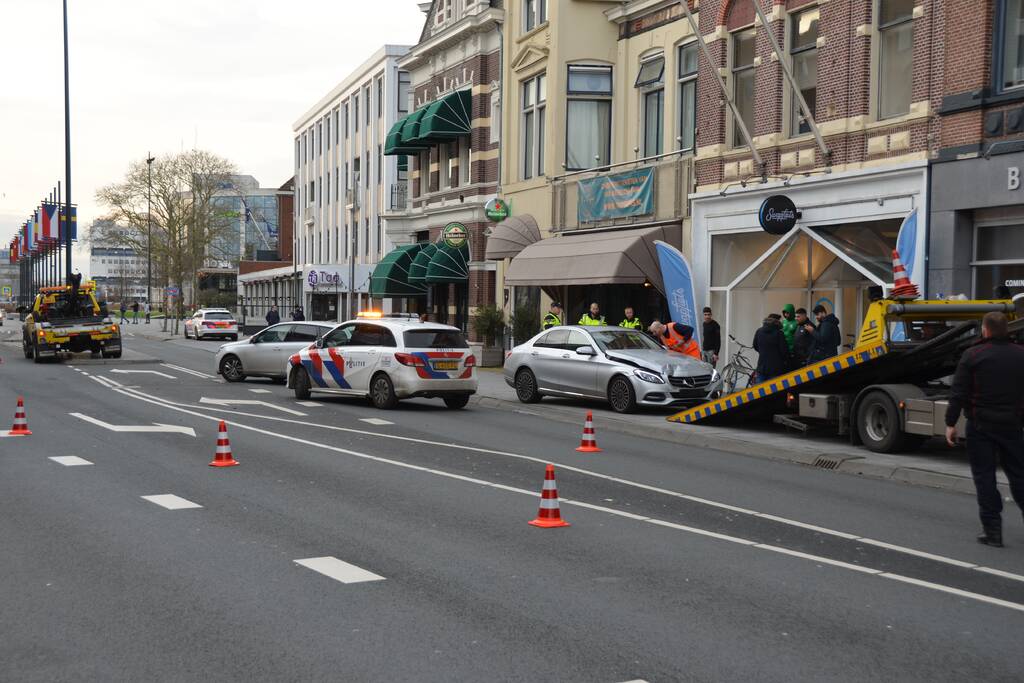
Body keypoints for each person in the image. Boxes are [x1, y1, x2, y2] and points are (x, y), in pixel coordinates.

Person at [945, 312, 1024, 548]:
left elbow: (958, 393)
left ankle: (993, 532)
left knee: (985, 478)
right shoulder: (1021, 355)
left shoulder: (973, 355)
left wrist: (950, 423)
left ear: (986, 330)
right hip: (1013, 426)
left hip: (981, 426)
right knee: (1020, 476)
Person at [753, 316, 788, 382]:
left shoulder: (759, 331)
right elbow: (784, 350)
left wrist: (763, 352)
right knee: (773, 390)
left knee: (759, 390)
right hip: (776, 367)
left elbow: (755, 345)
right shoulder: (779, 333)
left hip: (762, 366)